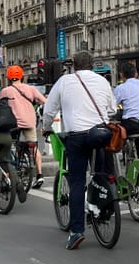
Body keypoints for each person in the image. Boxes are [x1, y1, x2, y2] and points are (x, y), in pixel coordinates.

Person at [41, 51, 117, 251]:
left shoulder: (64, 81)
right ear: (92, 64)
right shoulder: (102, 81)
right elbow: (112, 110)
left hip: (76, 136)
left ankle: (76, 231)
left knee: (76, 182)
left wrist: (47, 127)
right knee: (101, 174)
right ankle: (103, 209)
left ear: (73, 65)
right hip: (99, 134)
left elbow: (49, 109)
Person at [0, 65, 48, 188]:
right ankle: (40, 175)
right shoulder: (30, 89)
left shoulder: (6, 91)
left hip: (13, 124)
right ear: (21, 76)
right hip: (30, 121)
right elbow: (44, 102)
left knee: (8, 146)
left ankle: (10, 175)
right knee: (34, 147)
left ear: (9, 77)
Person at [113, 62, 139, 167]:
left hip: (131, 124)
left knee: (114, 134)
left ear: (121, 75)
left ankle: (122, 152)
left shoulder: (121, 88)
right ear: (136, 74)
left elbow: (112, 107)